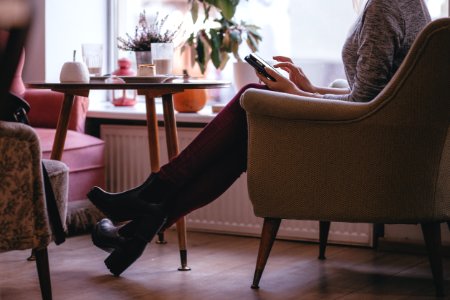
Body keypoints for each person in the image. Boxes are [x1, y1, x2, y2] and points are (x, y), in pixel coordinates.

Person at [88, 0, 431, 276]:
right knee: (239, 146)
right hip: (374, 141)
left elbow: (363, 106)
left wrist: (295, 92)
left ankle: (149, 200)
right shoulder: (411, 6)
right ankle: (137, 231)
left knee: (249, 95)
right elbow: (374, 99)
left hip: (358, 150)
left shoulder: (384, 7)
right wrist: (309, 89)